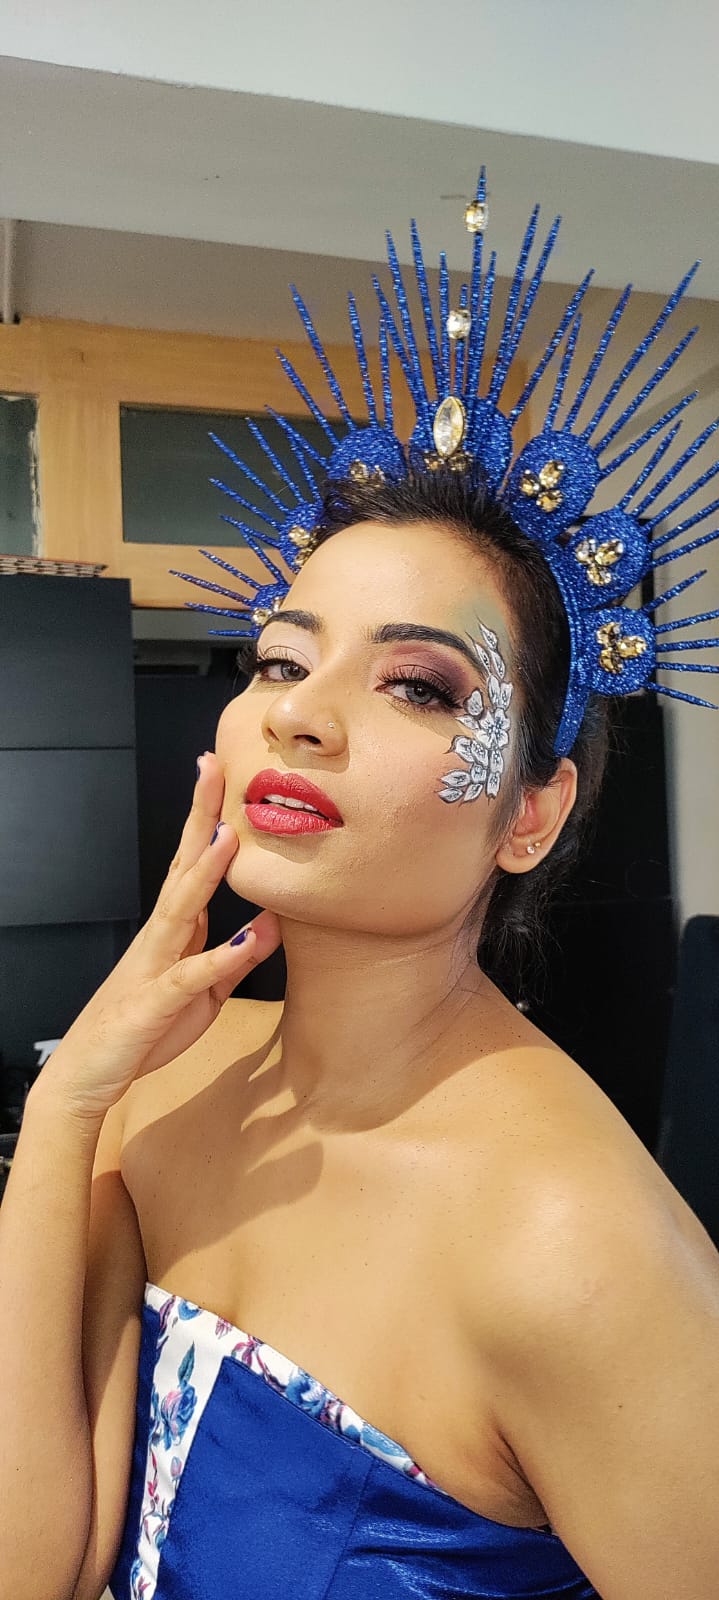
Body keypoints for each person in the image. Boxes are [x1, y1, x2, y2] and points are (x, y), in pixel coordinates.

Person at [2, 176, 719, 1600]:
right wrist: (70, 1099)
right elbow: (44, 1565)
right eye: (282, 658)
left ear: (531, 813)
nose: (300, 714)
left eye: (417, 684)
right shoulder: (158, 1089)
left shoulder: (572, 1241)